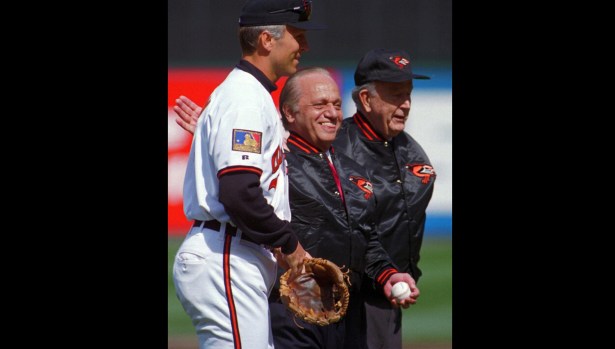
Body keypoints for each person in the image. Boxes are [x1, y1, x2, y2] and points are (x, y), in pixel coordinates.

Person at [172, 49, 434, 348]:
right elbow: (242, 186)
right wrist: (215, 136)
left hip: (342, 309)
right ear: (290, 114)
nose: (333, 112)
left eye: (336, 104)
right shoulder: (280, 161)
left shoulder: (347, 165)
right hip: (292, 307)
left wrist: (388, 274)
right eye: (320, 104)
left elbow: (364, 235)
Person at [172, 1, 326, 348]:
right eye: (297, 35)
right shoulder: (245, 98)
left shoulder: (249, 95)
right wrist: (290, 245)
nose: (305, 45)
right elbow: (239, 192)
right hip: (227, 252)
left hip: (234, 252)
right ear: (266, 42)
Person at [332, 48, 436, 349]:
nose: (405, 105)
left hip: (388, 292)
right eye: (395, 95)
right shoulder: (339, 149)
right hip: (349, 297)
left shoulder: (407, 148)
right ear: (365, 99)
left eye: (408, 94)